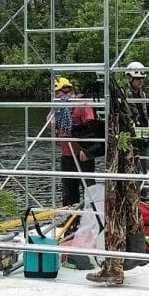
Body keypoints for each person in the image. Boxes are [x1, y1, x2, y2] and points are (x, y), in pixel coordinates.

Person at [49, 77, 98, 206]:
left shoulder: (82, 105)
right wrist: (54, 108)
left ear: (65, 91)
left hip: (82, 155)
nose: (56, 96)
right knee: (68, 190)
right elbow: (50, 123)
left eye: (57, 93)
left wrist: (87, 149)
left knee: (88, 188)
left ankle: (93, 216)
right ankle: (71, 219)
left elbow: (91, 126)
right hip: (67, 155)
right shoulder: (59, 108)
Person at [123, 61, 149, 173]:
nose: (141, 81)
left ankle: (142, 190)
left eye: (142, 79)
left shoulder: (142, 95)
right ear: (129, 78)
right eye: (138, 78)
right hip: (129, 142)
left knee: (142, 172)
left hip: (143, 141)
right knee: (130, 174)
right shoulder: (122, 96)